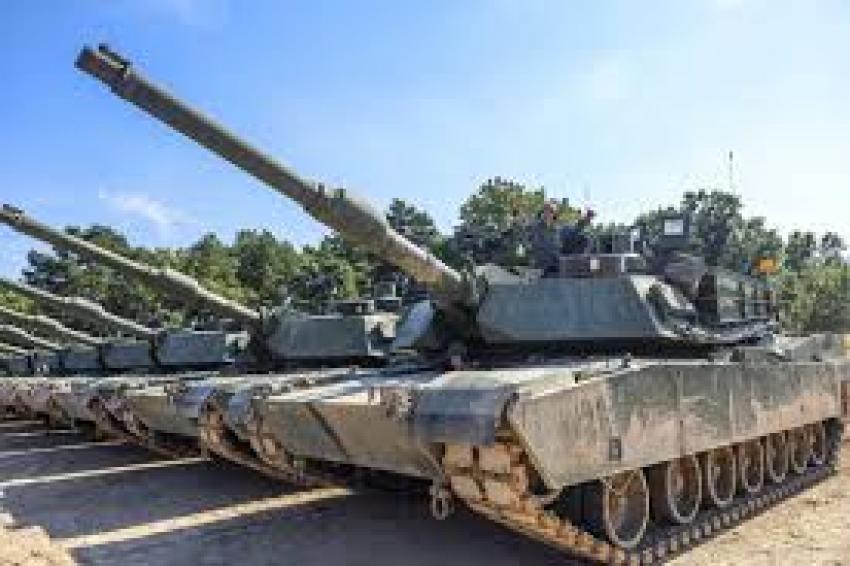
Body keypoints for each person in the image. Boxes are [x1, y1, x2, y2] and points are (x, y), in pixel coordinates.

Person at [529, 202, 595, 275]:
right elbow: (529, 242)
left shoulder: (558, 229)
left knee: (585, 239)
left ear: (554, 214)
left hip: (557, 265)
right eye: (545, 211)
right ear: (541, 213)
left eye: (550, 211)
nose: (547, 214)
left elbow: (574, 230)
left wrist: (585, 220)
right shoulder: (535, 228)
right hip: (541, 266)